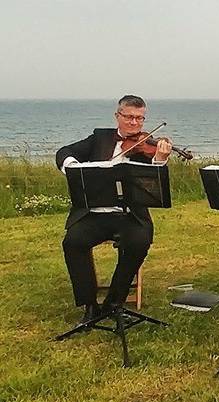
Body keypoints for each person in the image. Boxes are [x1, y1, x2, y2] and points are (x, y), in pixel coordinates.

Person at [56, 95, 173, 322]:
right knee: (73, 242)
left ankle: (114, 302)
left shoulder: (146, 145)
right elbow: (64, 152)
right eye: (129, 117)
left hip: (130, 215)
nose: (135, 124)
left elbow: (152, 182)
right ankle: (89, 305)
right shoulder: (99, 138)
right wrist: (74, 167)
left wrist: (159, 159)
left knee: (138, 242)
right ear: (117, 116)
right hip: (95, 214)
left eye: (140, 118)